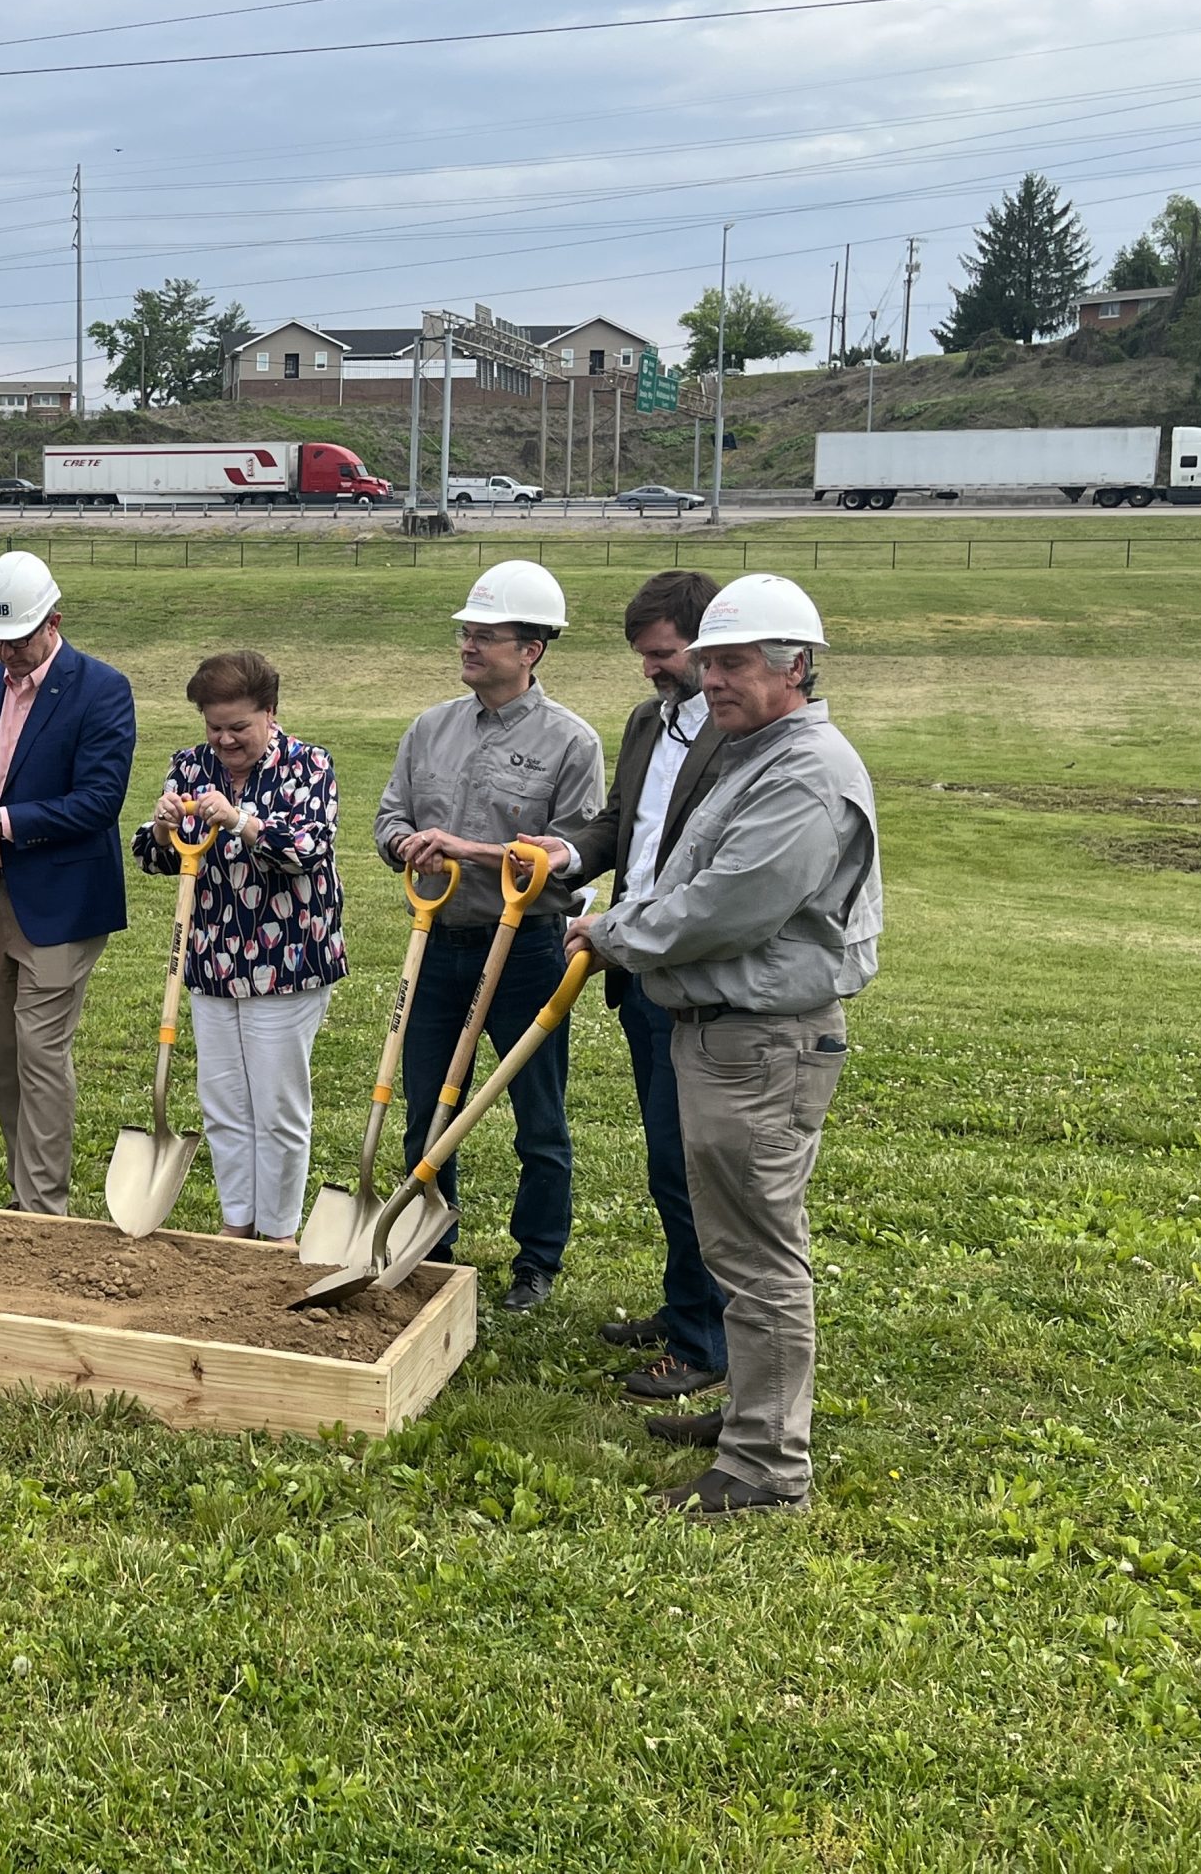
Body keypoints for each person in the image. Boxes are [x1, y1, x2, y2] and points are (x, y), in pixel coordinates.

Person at [568, 574, 882, 1517]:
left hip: (760, 1043)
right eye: (707, 662)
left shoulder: (807, 773)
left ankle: (766, 1468)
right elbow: (677, 868)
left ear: (796, 666)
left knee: (760, 1258)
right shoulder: (755, 753)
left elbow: (728, 904)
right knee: (737, 1248)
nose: (713, 680)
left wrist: (614, 934)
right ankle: (752, 1414)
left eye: (735, 662)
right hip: (723, 1038)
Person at [520, 571, 732, 1402]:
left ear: (712, 645)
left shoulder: (744, 736)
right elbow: (624, 826)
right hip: (635, 971)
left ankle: (706, 1339)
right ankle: (690, 1303)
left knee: (691, 1165)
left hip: (686, 970)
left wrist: (624, 934)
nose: (650, 669)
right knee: (664, 1157)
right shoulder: (650, 720)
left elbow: (711, 875)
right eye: (644, 655)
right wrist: (564, 854)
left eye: (663, 654)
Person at [372, 559, 604, 1311]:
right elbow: (389, 819)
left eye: (486, 635)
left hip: (527, 954)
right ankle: (428, 1247)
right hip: (440, 945)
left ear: (531, 649)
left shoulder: (573, 744)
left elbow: (573, 866)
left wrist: (470, 851)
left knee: (539, 1116)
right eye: (465, 632)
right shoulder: (429, 728)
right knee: (428, 1109)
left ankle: (536, 1262)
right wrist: (404, 843)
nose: (468, 645)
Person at [0, 550, 135, 1217]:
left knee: (41, 1051)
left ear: (54, 620)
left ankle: (43, 1212)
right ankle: (27, 1190)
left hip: (65, 902)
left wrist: (3, 823)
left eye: (17, 638)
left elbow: (99, 801)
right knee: (3, 1055)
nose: (5, 652)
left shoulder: (102, 689)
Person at [130, 650, 343, 1244]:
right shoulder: (188, 766)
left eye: (238, 727)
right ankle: (236, 1224)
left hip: (290, 958)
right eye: (213, 726)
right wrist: (163, 827)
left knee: (276, 1106)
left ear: (269, 714)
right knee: (224, 1102)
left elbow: (307, 850)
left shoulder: (310, 766)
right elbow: (154, 858)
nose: (224, 739)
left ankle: (277, 1234)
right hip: (212, 956)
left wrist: (240, 821)